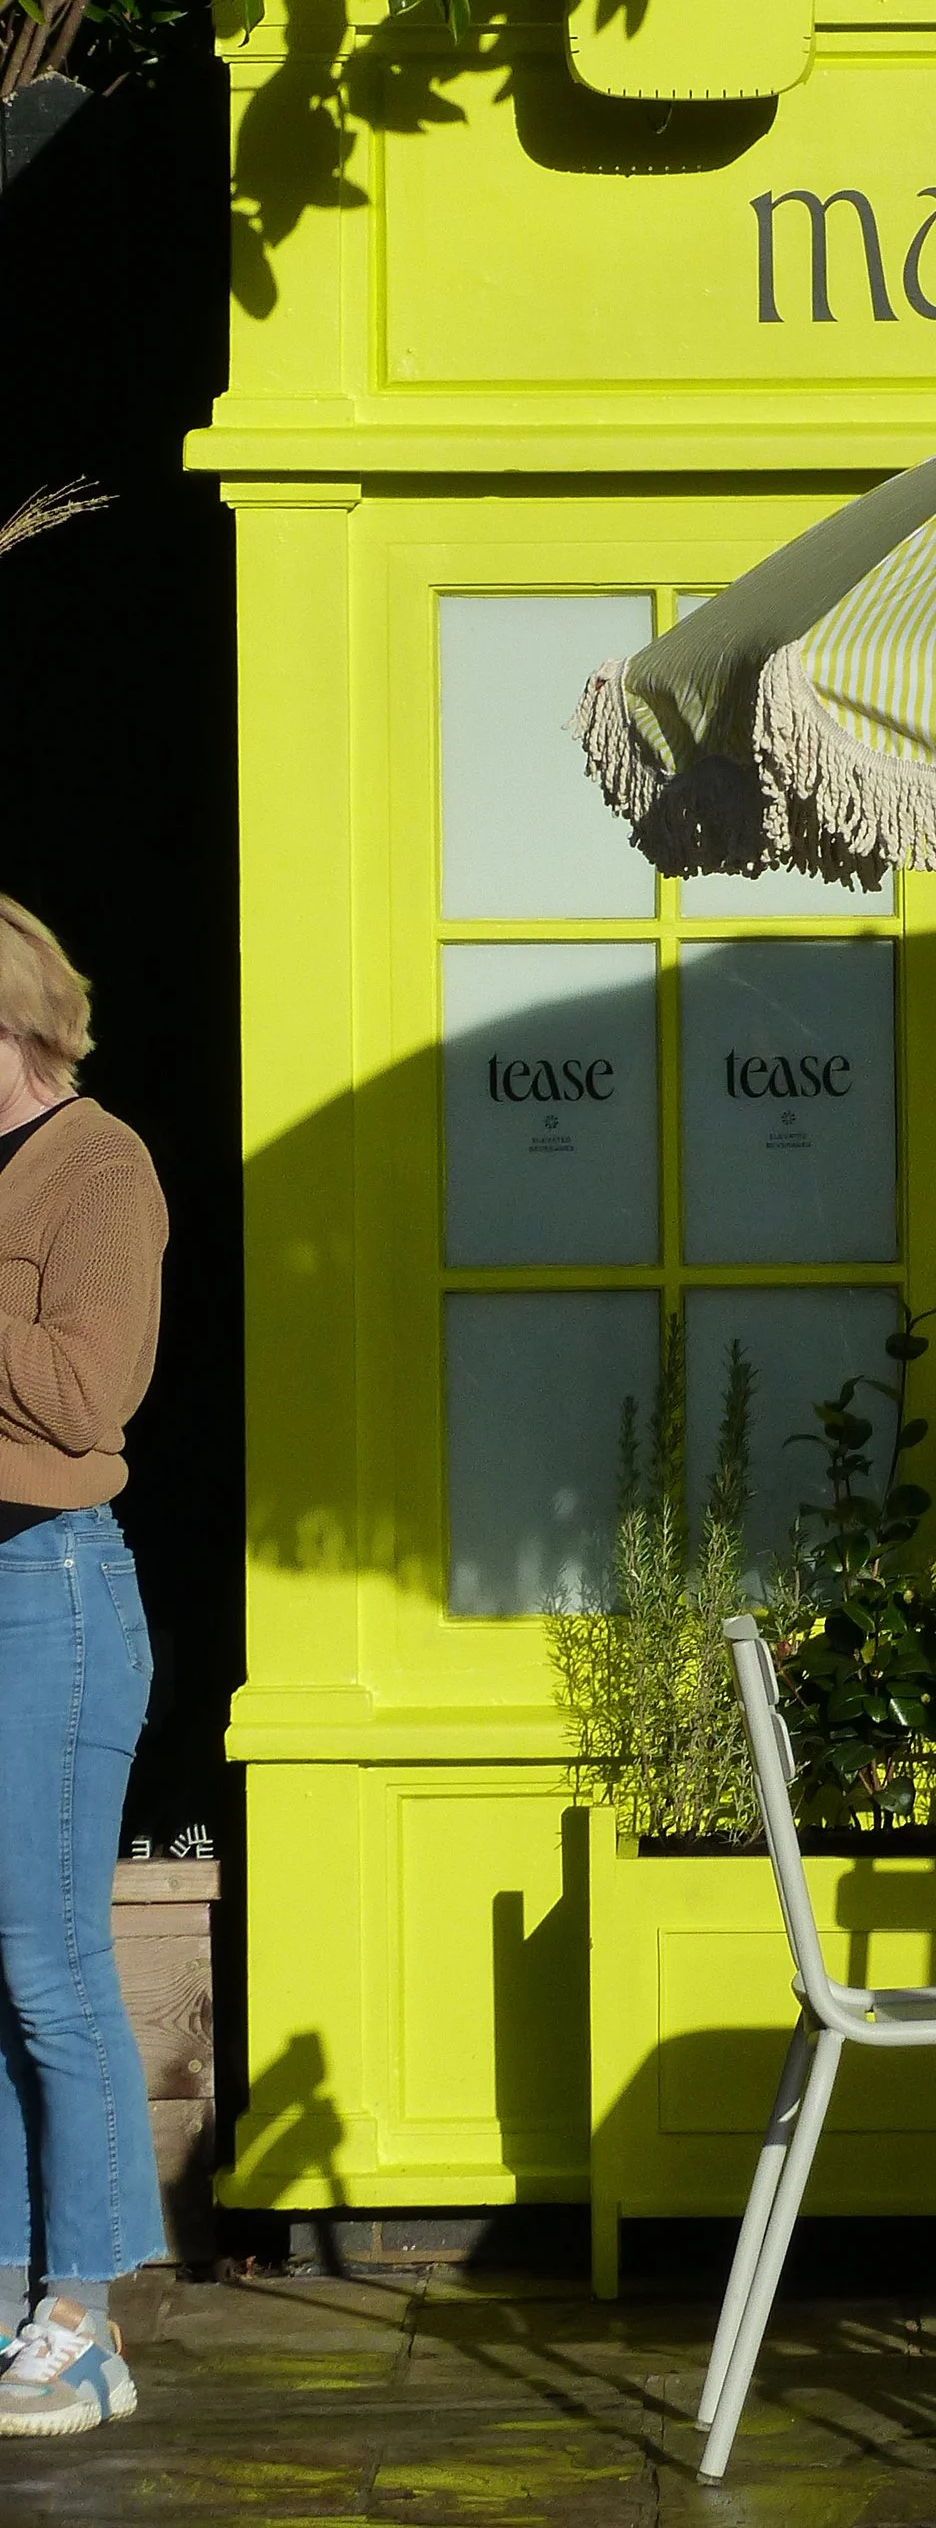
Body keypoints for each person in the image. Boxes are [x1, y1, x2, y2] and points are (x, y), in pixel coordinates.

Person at [0, 896, 167, 2435]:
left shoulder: (98, 1167)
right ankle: (10, 2293)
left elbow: (81, 1400)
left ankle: (89, 2324)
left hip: (44, 1591)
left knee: (52, 1964)